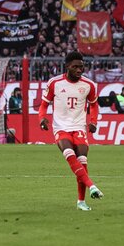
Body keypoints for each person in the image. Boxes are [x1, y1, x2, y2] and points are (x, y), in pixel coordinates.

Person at [38, 51, 103, 211]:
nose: (79, 70)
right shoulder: (55, 83)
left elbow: (94, 105)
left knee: (82, 161)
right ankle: (92, 186)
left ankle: (81, 201)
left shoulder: (89, 85)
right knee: (69, 153)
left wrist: (93, 121)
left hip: (79, 127)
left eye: (81, 67)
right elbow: (44, 104)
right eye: (75, 67)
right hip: (61, 127)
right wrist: (41, 118)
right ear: (67, 66)